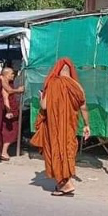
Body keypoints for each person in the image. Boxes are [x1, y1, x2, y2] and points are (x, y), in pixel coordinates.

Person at [30, 58, 90, 196]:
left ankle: (66, 184)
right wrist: (87, 125)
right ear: (71, 70)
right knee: (67, 151)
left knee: (57, 151)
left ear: (56, 69)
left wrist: (41, 97)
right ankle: (64, 183)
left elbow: (44, 106)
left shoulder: (52, 84)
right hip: (70, 127)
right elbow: (84, 107)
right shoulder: (77, 86)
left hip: (54, 128)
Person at [0, 68, 21, 161]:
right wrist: (9, 111)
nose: (13, 75)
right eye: (12, 74)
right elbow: (5, 97)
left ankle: (1, 151)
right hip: (9, 110)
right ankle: (4, 152)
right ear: (6, 74)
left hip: (11, 109)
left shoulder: (7, 83)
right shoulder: (3, 83)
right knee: (9, 132)